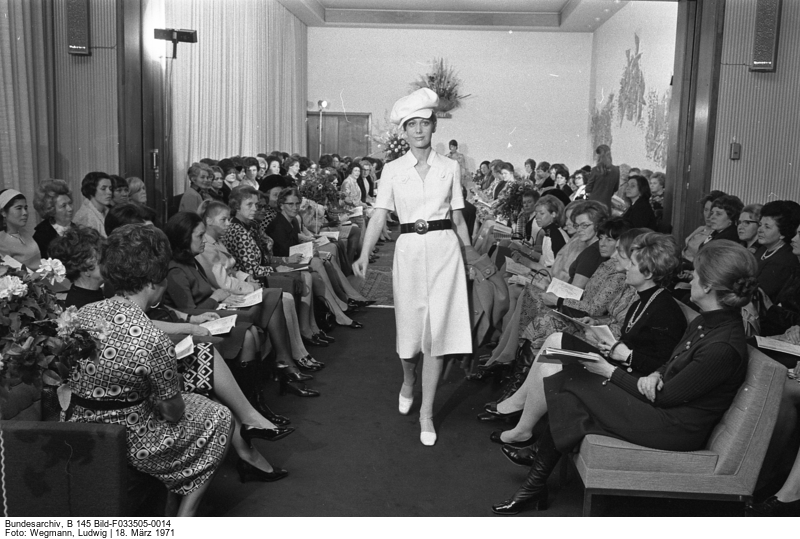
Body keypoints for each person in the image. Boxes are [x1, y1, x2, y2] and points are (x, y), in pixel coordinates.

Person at [491, 239, 757, 514]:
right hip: (663, 409)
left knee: (571, 382)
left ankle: (534, 481)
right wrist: (655, 373)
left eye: (698, 274)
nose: (691, 278)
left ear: (709, 286)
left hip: (674, 428)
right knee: (570, 383)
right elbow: (671, 361)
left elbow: (666, 398)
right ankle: (534, 485)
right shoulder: (709, 321)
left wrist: (610, 371)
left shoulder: (723, 345)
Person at [67, 223, 234, 517]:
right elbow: (173, 413)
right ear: (153, 282)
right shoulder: (152, 338)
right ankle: (184, 519)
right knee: (220, 416)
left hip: (79, 422)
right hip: (131, 439)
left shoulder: (82, 314)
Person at [353, 88, 473, 446]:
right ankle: (408, 378)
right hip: (407, 252)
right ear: (403, 132)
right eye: (412, 125)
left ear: (433, 127)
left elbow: (459, 219)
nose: (419, 130)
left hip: (445, 252)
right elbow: (379, 216)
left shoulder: (450, 167)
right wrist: (363, 252)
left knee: (436, 335)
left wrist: (471, 258)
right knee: (410, 336)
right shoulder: (391, 170)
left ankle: (427, 413)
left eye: (424, 123)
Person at [488, 232, 685, 449]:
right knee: (555, 340)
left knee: (551, 364)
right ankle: (520, 416)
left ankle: (522, 427)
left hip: (626, 379)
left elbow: (659, 365)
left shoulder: (665, 310)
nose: (627, 267)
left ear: (648, 273)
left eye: (634, 264)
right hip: (619, 364)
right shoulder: (646, 299)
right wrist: (606, 338)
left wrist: (622, 353)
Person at [753, 200, 800, 303]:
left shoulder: (784, 260)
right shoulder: (762, 249)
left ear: (782, 233)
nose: (760, 230)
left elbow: (759, 293)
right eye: (760, 225)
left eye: (767, 227)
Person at [32, 179, 75, 259]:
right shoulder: (42, 235)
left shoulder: (77, 229)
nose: (70, 209)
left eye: (70, 203)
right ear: (51, 209)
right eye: (63, 206)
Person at [0, 189, 41, 269]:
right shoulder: (2, 241)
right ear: (3, 212)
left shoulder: (24, 232)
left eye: (25, 208)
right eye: (19, 208)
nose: (25, 213)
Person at [73, 171, 113, 237]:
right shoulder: (86, 216)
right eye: (103, 189)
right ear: (92, 190)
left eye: (110, 188)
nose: (109, 192)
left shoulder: (107, 211)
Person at [585, 144, 620, 208]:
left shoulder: (595, 170)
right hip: (607, 203)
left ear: (598, 156)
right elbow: (616, 188)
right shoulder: (616, 170)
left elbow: (588, 188)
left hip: (594, 203)